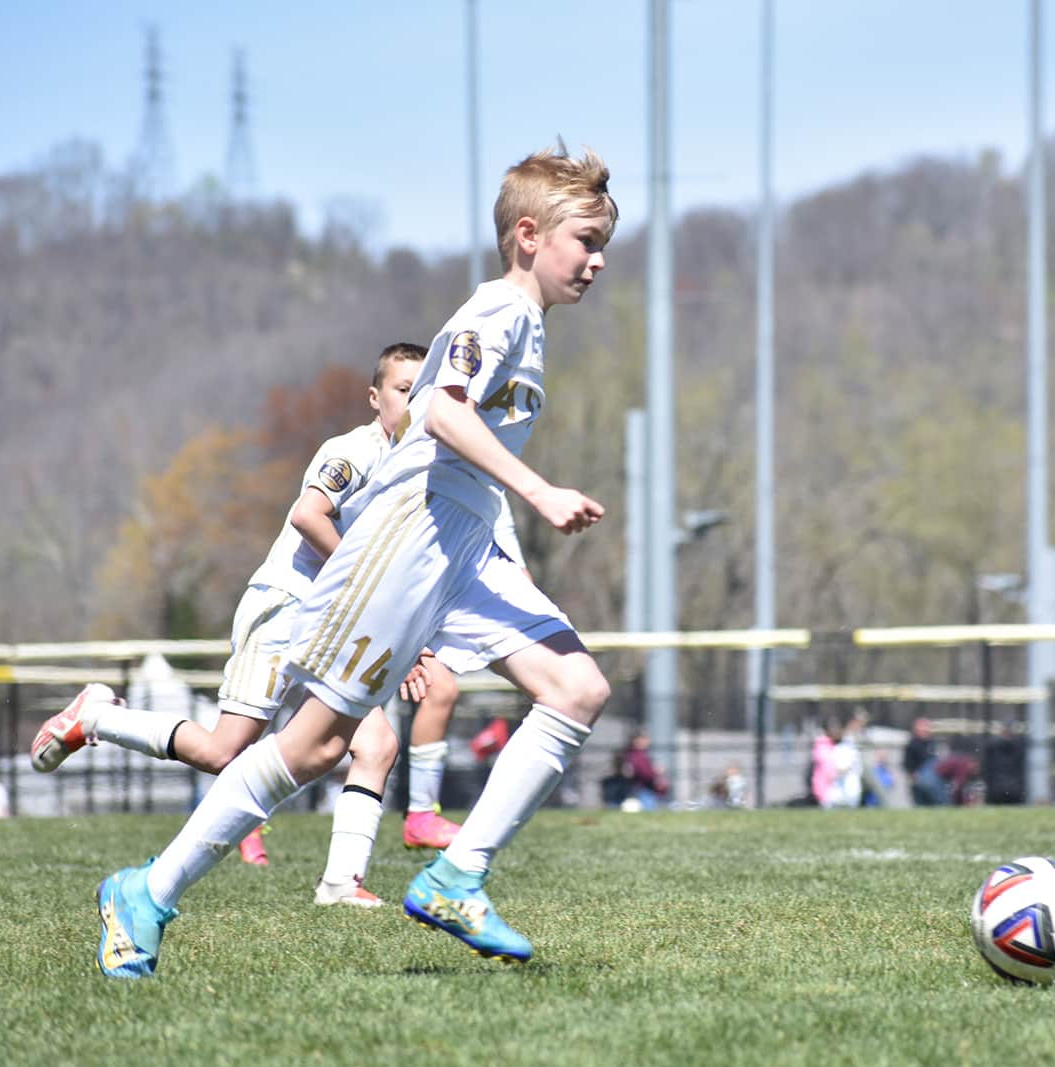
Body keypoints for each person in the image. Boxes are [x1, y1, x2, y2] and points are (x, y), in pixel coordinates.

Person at [89, 143, 618, 977]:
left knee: (578, 688)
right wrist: (539, 490)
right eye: (584, 240)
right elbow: (441, 414)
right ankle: (147, 893)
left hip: (467, 543)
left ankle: (457, 874)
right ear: (526, 234)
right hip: (411, 536)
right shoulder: (498, 311)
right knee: (312, 749)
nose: (595, 261)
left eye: (603, 247)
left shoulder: (532, 325)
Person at [33, 343, 497, 905]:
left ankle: (340, 884)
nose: (413, 401)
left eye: (422, 392)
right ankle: (99, 718)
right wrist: (374, 594)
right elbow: (308, 515)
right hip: (286, 606)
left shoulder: (419, 470)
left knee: (375, 744)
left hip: (336, 619)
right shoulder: (355, 450)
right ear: (376, 398)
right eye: (402, 390)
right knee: (221, 752)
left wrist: (410, 637)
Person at [622, 729, 669, 810]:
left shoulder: (638, 754)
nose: (647, 741)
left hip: (644, 789)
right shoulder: (636, 755)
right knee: (648, 809)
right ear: (637, 741)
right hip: (643, 789)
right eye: (644, 739)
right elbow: (644, 773)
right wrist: (656, 772)